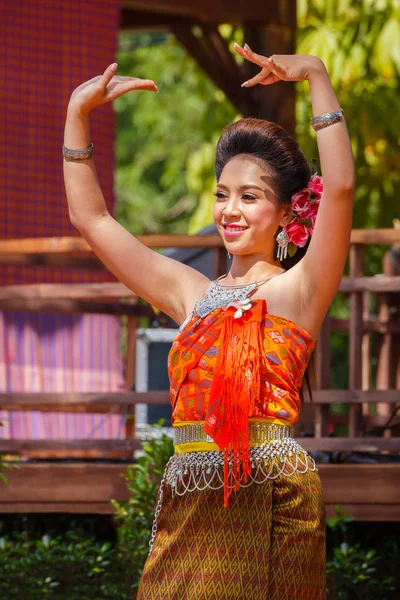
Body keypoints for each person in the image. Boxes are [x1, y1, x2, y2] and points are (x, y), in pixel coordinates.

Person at [63, 43, 354, 600]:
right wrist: (77, 117)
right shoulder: (187, 292)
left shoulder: (299, 291)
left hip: (272, 500)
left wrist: (316, 75)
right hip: (191, 500)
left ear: (289, 210)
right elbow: (92, 219)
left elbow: (339, 187)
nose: (230, 210)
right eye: (222, 194)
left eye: (250, 196)